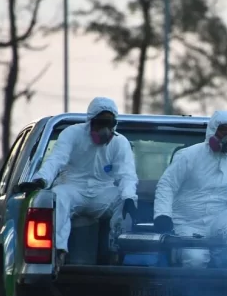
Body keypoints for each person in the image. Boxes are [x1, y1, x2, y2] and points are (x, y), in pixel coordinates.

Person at [19, 97, 139, 266]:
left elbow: (127, 174)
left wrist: (128, 197)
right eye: (100, 123)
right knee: (57, 197)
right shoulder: (72, 134)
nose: (104, 130)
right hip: (73, 187)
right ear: (90, 120)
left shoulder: (120, 142)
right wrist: (40, 180)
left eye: (109, 124)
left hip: (102, 192)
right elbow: (57, 159)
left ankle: (116, 251)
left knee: (123, 200)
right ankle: (59, 251)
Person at [153, 110, 227, 268]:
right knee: (195, 260)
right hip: (187, 222)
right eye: (223, 130)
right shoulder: (189, 156)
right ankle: (189, 284)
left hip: (218, 218)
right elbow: (167, 185)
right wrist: (162, 214)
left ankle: (219, 262)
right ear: (212, 131)